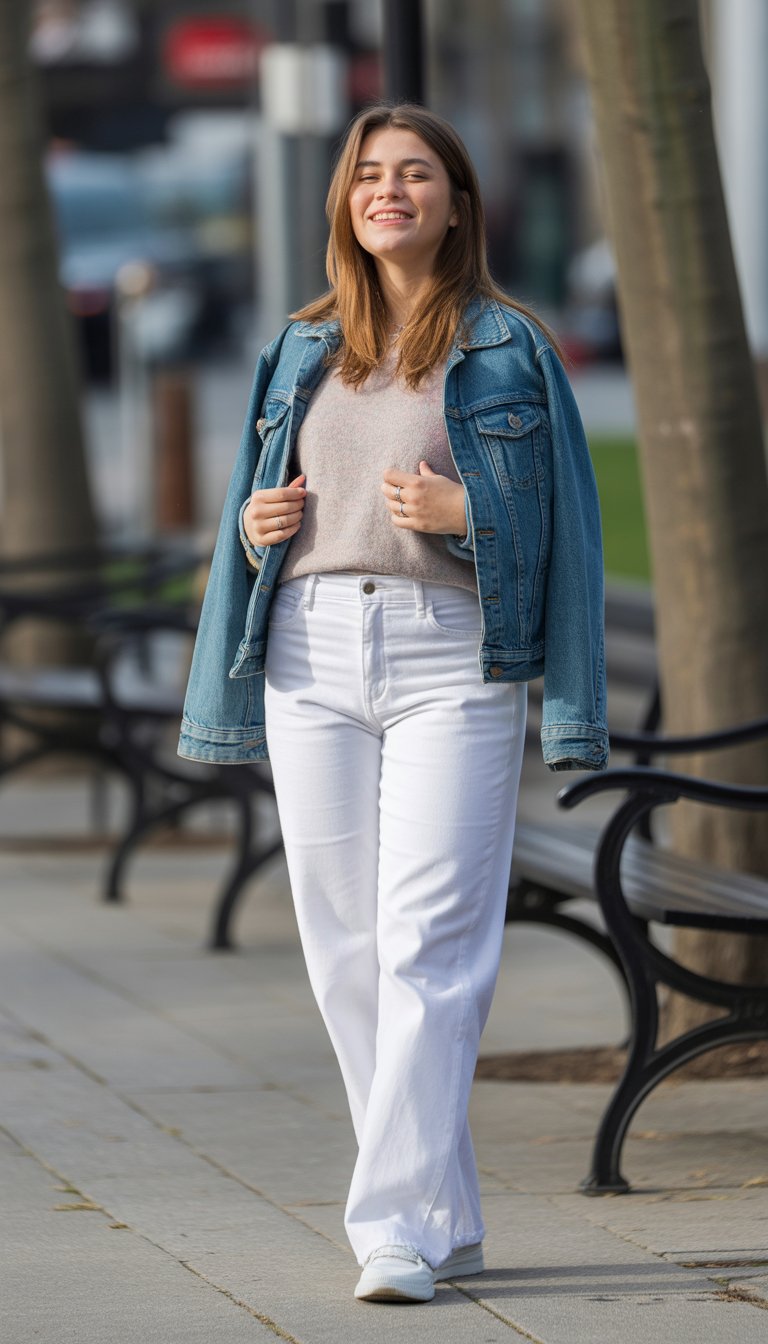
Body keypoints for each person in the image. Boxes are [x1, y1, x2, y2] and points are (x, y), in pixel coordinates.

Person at [179, 103, 608, 1304]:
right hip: (308, 652)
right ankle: (441, 1213)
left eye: (416, 173)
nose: (390, 190)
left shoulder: (510, 346)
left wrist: (473, 516)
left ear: (458, 205)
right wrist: (258, 526)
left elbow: (570, 528)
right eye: (369, 173)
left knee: (431, 944)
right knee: (345, 951)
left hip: (447, 656)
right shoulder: (301, 346)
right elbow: (257, 504)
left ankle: (392, 1231)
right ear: (346, 204)